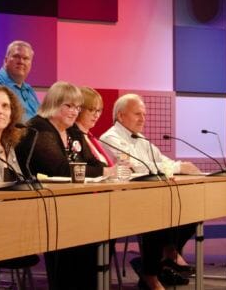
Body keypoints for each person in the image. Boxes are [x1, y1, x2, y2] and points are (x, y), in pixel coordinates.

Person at [99, 94, 200, 290]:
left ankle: (164, 256)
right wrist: (177, 167)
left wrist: (181, 165)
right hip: (121, 203)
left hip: (145, 199)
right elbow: (138, 167)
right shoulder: (110, 138)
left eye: (144, 114)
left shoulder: (141, 138)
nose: (143, 119)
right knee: (156, 216)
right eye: (138, 114)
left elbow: (162, 161)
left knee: (192, 208)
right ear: (120, 116)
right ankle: (153, 271)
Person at [15, 81, 104, 290]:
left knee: (96, 234)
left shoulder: (73, 131)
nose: (74, 112)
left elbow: (95, 164)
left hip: (74, 205)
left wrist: (92, 170)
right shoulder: (38, 129)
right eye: (69, 106)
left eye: (77, 107)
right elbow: (61, 169)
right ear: (54, 103)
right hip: (42, 206)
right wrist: (95, 171)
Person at [0, 40, 39, 120]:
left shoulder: (29, 90)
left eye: (26, 58)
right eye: (16, 56)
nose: (21, 61)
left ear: (31, 64)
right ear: (6, 60)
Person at [67, 86, 115, 169]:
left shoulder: (90, 137)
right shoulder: (73, 136)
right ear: (79, 109)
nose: (96, 115)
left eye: (98, 110)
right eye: (91, 110)